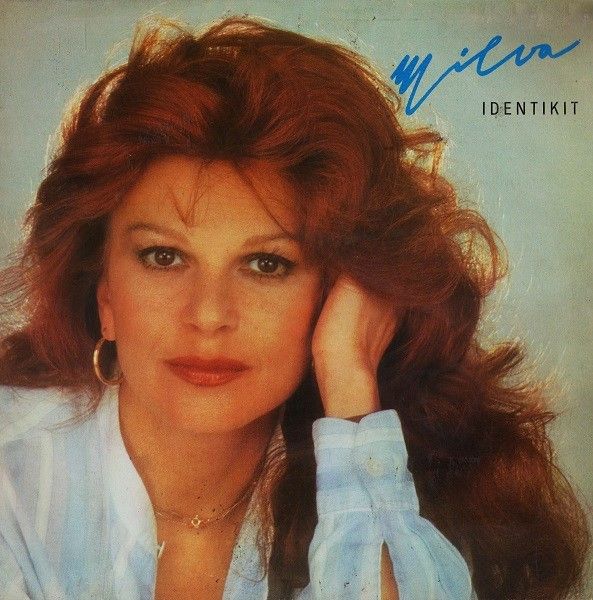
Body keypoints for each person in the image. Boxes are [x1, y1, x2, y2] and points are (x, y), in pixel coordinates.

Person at [0, 15, 589, 600]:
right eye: (163, 257)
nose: (209, 316)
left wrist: (349, 383)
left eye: (267, 265)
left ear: (337, 295)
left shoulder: (410, 493)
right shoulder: (12, 474)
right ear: (104, 295)